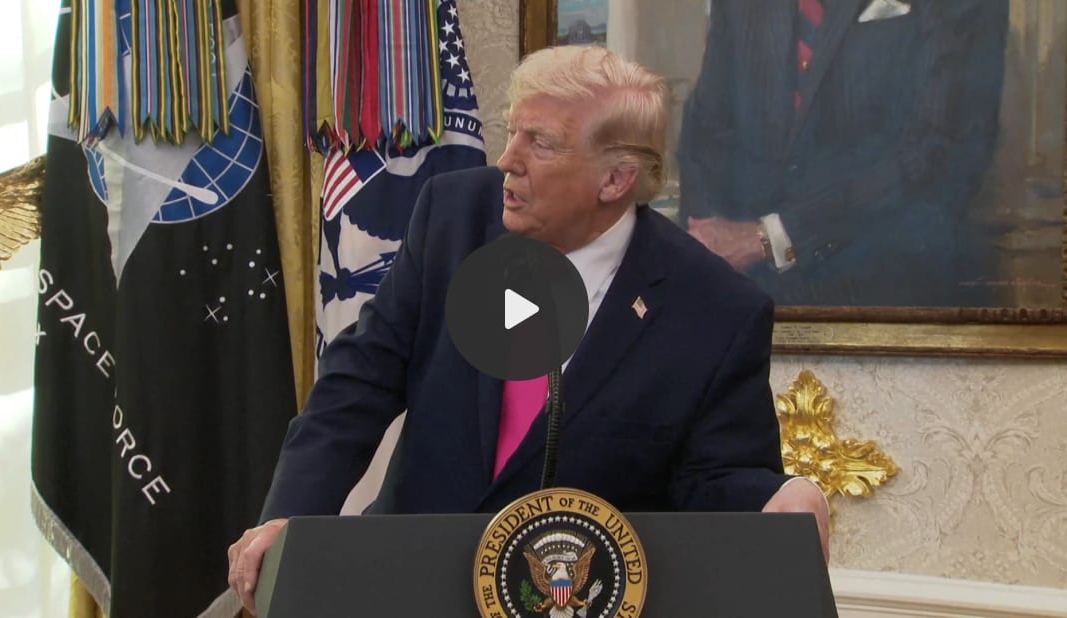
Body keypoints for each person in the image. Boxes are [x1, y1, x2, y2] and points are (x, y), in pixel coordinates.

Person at [228, 45, 829, 613]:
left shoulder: (714, 309)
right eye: (513, 131)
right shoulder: (453, 218)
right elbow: (357, 385)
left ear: (616, 180)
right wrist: (290, 516)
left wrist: (784, 495)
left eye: (540, 142)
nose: (507, 160)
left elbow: (715, 480)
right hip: (407, 586)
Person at [677, 0, 1008, 306]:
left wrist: (774, 238)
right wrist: (706, 244)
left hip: (888, 294)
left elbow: (935, 151)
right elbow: (705, 130)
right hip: (743, 291)